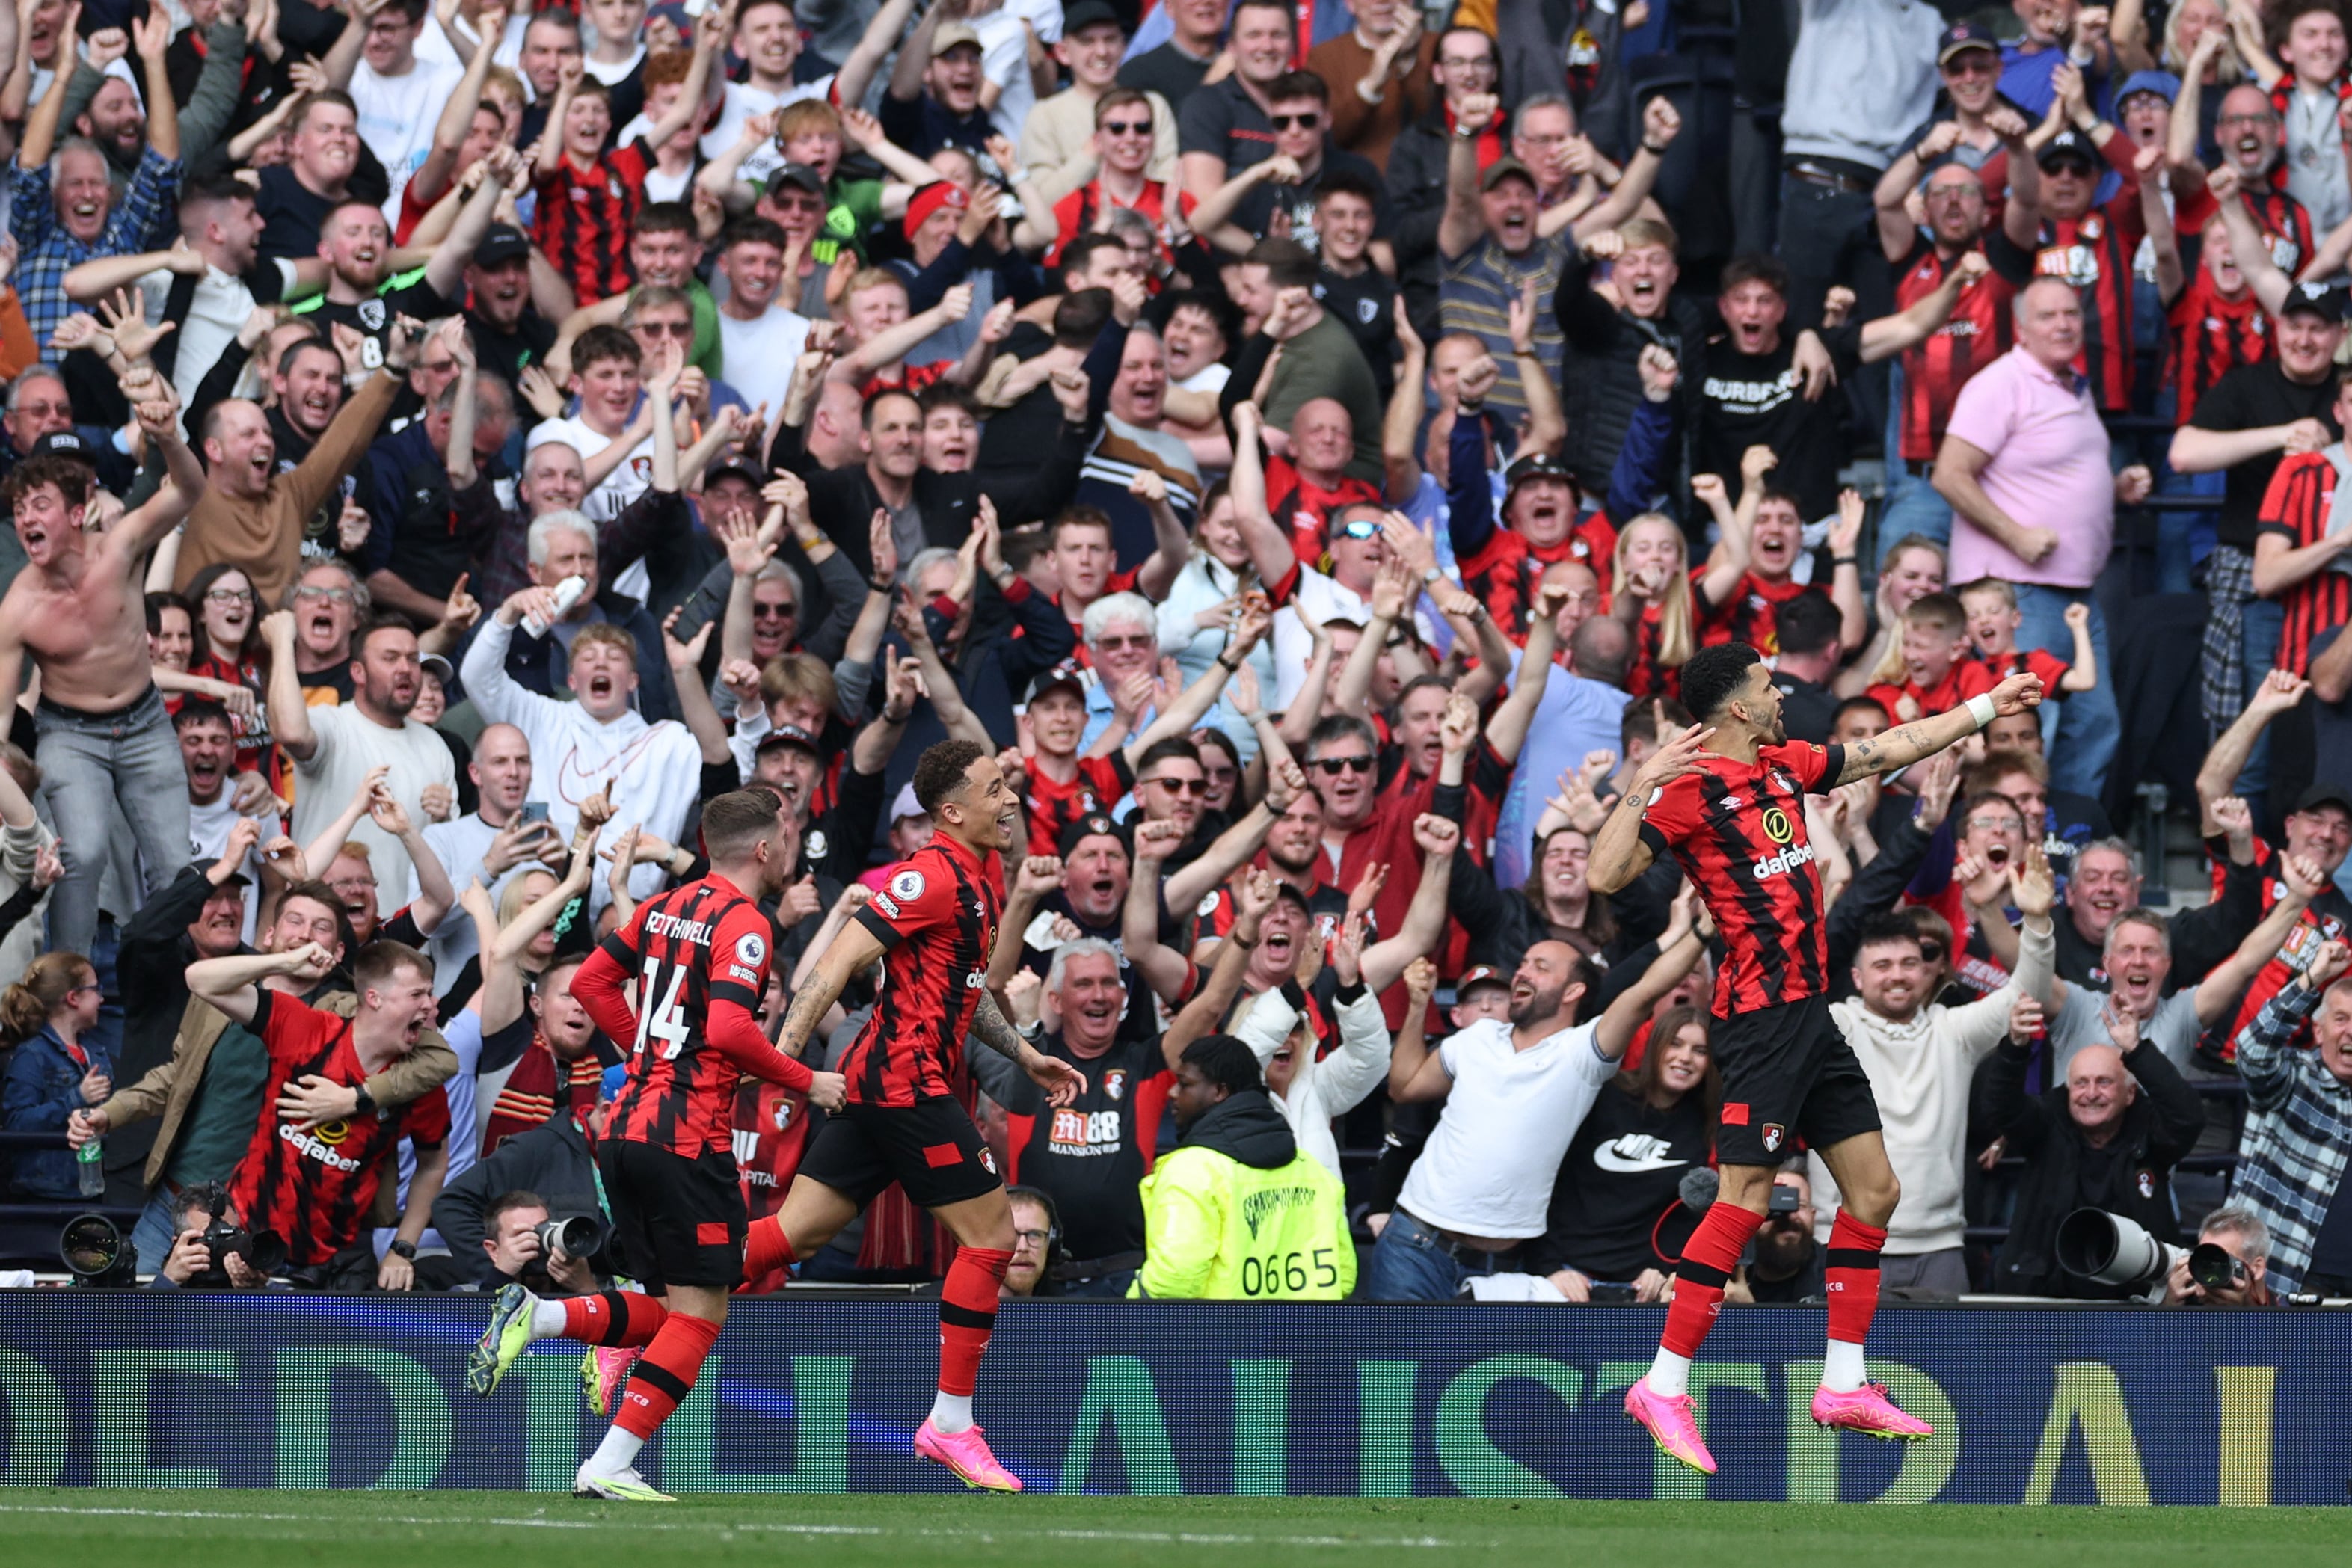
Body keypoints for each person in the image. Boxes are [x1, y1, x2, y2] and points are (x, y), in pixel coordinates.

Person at [1590, 639, 2047, 1474]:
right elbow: (1605, 870)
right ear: (1733, 704)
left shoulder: (1782, 764)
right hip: (1759, 1023)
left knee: (1874, 1191)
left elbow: (1892, 746)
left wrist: (1988, 706)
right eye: (1766, 685)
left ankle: (1843, 1383)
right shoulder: (1686, 792)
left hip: (1811, 1015)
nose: (1779, 694)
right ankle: (1661, 1385)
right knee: (1742, 1202)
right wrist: (1641, 779)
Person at [467, 790, 841, 1501]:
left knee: (674, 1305)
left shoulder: (664, 904)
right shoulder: (746, 924)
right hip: (688, 1139)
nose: (791, 846)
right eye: (787, 834)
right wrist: (807, 1079)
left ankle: (542, 1314)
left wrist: (642, 1051)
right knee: (703, 1312)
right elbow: (731, 1029)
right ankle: (609, 1463)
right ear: (764, 849)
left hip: (626, 1130)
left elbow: (589, 980)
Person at [737, 740, 1084, 1492]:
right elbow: (831, 968)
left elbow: (965, 989)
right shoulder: (924, 877)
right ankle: (950, 1425)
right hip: (906, 1086)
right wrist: (786, 1067)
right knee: (994, 1237)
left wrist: (1023, 1057)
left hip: (887, 1085)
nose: (1011, 800)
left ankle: (639, 1311)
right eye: (995, 790)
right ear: (951, 811)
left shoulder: (984, 870)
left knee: (794, 1235)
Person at [1370, 903, 1710, 1300]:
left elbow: (1644, 992)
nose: (1522, 972)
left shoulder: (1581, 1054)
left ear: (1573, 991)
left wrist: (1702, 933)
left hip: (1504, 1267)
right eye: (1524, 963)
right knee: (1393, 1366)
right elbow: (1404, 1087)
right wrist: (1417, 1005)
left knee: (1482, 1366)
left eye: (1541, 967)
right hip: (1414, 1245)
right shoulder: (1477, 1039)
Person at [0, 384, 205, 956]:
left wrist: (167, 435)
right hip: (68, 732)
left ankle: (181, 991)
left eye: (39, 506)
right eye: (18, 511)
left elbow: (191, 488)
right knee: (80, 853)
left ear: (74, 512)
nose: (26, 519)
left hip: (144, 721)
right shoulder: (18, 607)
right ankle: (67, 986)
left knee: (174, 864)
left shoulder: (119, 546)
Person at [1933, 278, 2146, 799]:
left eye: (2071, 313)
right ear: (2021, 327)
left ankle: (2062, 842)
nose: (2063, 324)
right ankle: (2007, 847)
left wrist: (2111, 488)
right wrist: (2016, 536)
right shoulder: (2000, 382)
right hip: (2018, 588)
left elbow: (2053, 473)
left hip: (2073, 591)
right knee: (2025, 731)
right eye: (2048, 315)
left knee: (2095, 725)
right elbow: (1949, 473)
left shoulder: (2070, 383)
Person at [184, 938, 450, 1291]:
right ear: (374, 998)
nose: (430, 1006)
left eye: (429, 994)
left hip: (335, 1264)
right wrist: (285, 962)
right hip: (247, 1236)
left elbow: (433, 1165)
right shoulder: (306, 1030)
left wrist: (402, 1248)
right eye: (418, 995)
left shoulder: (419, 1084)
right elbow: (199, 978)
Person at [1982, 986, 2209, 1297]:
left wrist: (2136, 1049)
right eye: (2080, 1083)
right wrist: (2016, 1046)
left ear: (2130, 1094)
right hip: (2044, 1298)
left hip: (2137, 1300)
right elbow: (1999, 1107)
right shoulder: (2047, 1122)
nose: (2091, 1094)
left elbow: (2188, 1116)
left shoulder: (2148, 1131)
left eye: (2104, 1082)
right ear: (2067, 1089)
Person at [1129, 1033, 1355, 1300]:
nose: (1173, 1092)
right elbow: (1345, 1273)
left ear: (1220, 1092)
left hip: (1226, 1337)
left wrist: (1129, 1317)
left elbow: (1174, 1279)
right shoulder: (1312, 1170)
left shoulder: (1191, 1171)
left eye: (1184, 1083)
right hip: (1308, 1336)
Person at [2229, 938, 2352, 1296]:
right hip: (2287, 1280)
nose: (2350, 1031)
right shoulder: (2292, 1076)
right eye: (2341, 1019)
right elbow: (2251, 1049)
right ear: (2319, 1030)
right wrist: (2312, 979)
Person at [0, 950, 108, 1199]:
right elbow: (18, 1123)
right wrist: (77, 1098)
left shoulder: (97, 1053)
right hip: (44, 1192)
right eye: (95, 989)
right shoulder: (32, 1055)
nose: (102, 998)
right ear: (73, 998)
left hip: (92, 1187)